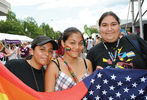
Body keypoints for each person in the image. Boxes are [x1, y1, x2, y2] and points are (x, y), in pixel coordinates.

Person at [45, 27, 93, 92]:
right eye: (72, 43)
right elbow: (48, 97)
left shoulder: (87, 63)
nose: (77, 47)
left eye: (80, 43)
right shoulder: (54, 66)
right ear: (63, 43)